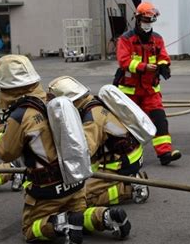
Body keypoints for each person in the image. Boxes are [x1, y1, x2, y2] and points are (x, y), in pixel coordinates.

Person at [0, 55, 131, 244]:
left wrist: (0, 130)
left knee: (29, 229)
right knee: (79, 214)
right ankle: (104, 217)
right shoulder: (53, 100)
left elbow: (6, 153)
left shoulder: (20, 115)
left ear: (5, 87)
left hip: (47, 189)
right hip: (75, 184)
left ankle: (62, 224)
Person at [48, 76, 149, 206]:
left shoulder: (91, 119)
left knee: (79, 197)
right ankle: (129, 180)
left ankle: (129, 188)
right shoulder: (94, 102)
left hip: (119, 165)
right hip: (129, 155)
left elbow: (85, 152)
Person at [115, 1, 181, 166]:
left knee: (159, 119)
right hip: (129, 90)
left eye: (151, 21)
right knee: (128, 124)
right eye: (145, 20)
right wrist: (144, 67)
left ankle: (165, 153)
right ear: (138, 19)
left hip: (150, 89)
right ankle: (128, 154)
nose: (148, 24)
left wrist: (164, 66)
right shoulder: (126, 39)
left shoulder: (157, 39)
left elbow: (163, 56)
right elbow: (124, 62)